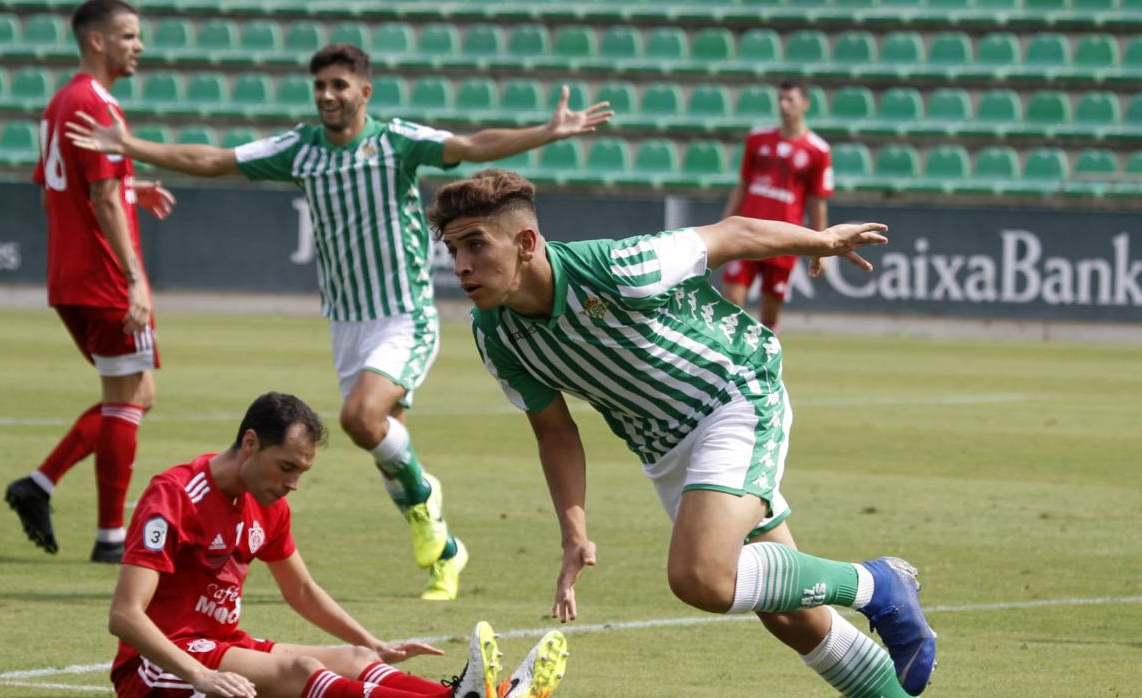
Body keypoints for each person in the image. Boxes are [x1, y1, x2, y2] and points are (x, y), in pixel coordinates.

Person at [64, 43, 613, 599]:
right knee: (383, 442)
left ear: (363, 92)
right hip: (346, 323)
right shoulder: (300, 149)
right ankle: (444, 548)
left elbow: (471, 146)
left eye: (339, 85)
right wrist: (130, 145)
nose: (328, 95)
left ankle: (431, 518)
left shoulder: (394, 141)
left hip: (403, 314)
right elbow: (216, 159)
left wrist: (548, 131)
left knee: (359, 417)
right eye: (320, 86)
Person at [428, 169, 938, 697]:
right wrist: (574, 532)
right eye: (452, 250)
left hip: (732, 395)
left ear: (526, 243)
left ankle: (878, 583)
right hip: (665, 448)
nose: (461, 265)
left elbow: (731, 234)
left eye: (475, 245)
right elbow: (555, 431)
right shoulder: (495, 335)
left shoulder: (618, 267)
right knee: (790, 615)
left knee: (701, 576)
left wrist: (823, 239)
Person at [108, 391, 569, 698]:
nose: (293, 484)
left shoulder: (267, 504)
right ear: (250, 443)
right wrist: (198, 674)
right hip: (157, 666)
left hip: (222, 645)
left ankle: (478, 694)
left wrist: (374, 642)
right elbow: (125, 616)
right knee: (303, 672)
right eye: (286, 467)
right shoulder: (175, 495)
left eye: (301, 473)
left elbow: (302, 591)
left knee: (355, 658)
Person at [5, 0, 177, 563]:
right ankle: (108, 538)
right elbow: (100, 194)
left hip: (69, 277)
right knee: (127, 400)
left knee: (134, 396)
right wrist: (135, 281)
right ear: (97, 41)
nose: (139, 46)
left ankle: (40, 484)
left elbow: (51, 188)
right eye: (128, 35)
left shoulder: (61, 103)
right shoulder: (97, 105)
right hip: (105, 278)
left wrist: (134, 190)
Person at [721, 79, 833, 333]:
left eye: (790, 100)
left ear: (805, 104)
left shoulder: (818, 150)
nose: (783, 105)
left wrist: (821, 244)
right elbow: (743, 185)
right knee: (732, 301)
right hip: (747, 232)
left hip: (783, 238)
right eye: (780, 99)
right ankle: (732, 364)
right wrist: (723, 223)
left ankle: (763, 366)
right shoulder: (757, 138)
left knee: (770, 315)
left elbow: (818, 201)